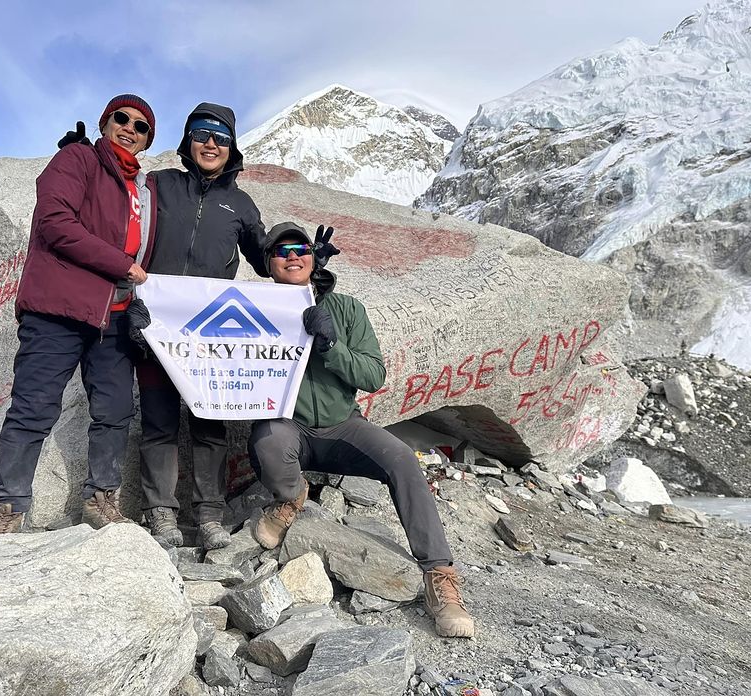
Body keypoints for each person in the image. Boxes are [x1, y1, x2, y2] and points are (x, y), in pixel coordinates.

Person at [248, 222, 475, 639]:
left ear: (314, 256)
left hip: (343, 427)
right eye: (281, 252)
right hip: (287, 425)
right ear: (268, 264)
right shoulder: (254, 306)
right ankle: (291, 497)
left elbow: (373, 374)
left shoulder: (348, 309)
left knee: (402, 459)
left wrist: (333, 347)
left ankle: (439, 575)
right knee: (267, 439)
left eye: (300, 248)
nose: (292, 256)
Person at [60, 103, 270, 549]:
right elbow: (116, 206)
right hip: (155, 327)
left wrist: (309, 263)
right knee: (158, 421)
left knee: (209, 425)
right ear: (188, 141)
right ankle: (162, 513)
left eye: (220, 136)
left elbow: (268, 259)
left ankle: (209, 514)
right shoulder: (157, 185)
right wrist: (88, 164)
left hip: (211, 336)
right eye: (201, 133)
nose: (210, 143)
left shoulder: (242, 204)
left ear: (232, 147)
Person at [0, 94, 158, 534]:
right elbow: (55, 223)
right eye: (122, 118)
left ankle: (101, 499)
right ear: (106, 122)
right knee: (33, 406)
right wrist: (121, 265)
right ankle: (7, 508)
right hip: (59, 310)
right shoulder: (77, 160)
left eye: (141, 126)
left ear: (147, 140)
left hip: (116, 316)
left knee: (116, 411)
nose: (130, 129)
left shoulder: (141, 187)